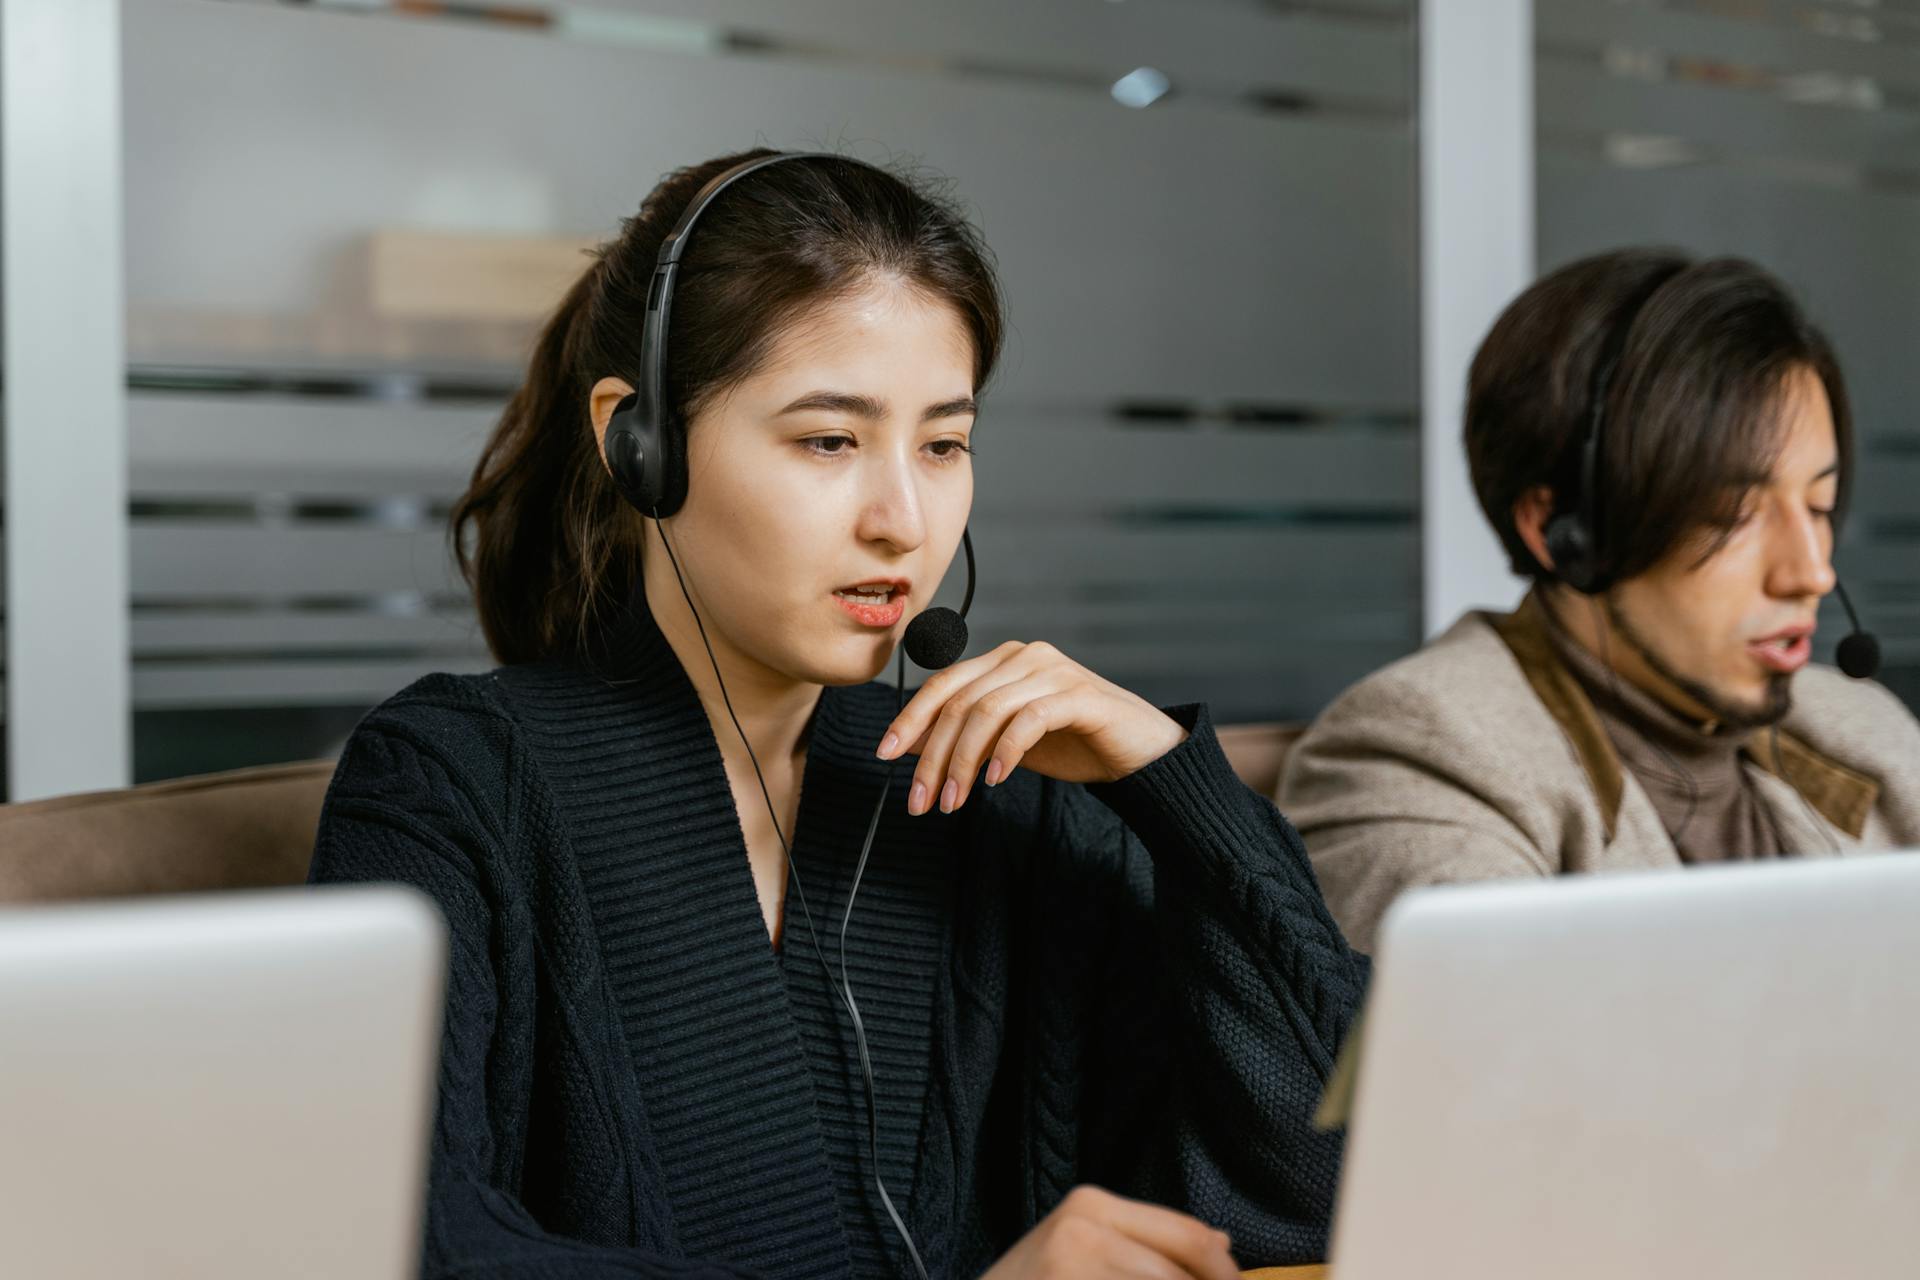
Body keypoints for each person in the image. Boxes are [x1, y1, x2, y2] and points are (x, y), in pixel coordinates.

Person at [310, 148, 1366, 1279]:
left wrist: (1174, 784)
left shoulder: (1003, 798)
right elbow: (395, 1242)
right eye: (830, 439)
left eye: (945, 444)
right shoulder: (446, 785)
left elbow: (1323, 1191)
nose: (904, 521)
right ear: (638, 443)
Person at [1281, 249, 1920, 953]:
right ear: (1566, 534)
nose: (1812, 573)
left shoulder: (1864, 732)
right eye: (1733, 514)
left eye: (1821, 504)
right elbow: (1504, 1056)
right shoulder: (1423, 751)